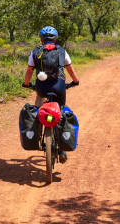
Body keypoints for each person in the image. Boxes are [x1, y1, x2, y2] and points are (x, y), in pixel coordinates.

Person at [22, 26, 79, 163]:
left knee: (37, 110)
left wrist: (26, 83)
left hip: (41, 87)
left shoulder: (35, 52)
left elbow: (30, 70)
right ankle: (62, 148)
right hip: (59, 87)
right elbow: (69, 68)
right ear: (56, 38)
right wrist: (75, 81)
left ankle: (36, 134)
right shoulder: (62, 51)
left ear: (41, 39)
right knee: (60, 110)